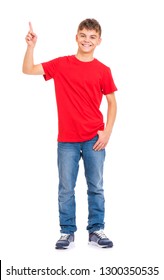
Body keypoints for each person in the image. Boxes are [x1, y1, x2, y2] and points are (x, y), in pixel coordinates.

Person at [22, 18, 117, 249]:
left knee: (96, 186)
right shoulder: (61, 64)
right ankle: (67, 232)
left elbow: (112, 103)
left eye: (92, 37)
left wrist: (107, 133)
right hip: (67, 140)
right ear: (76, 37)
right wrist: (31, 47)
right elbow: (28, 70)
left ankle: (96, 230)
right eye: (83, 35)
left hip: (95, 138)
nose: (87, 40)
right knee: (66, 187)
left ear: (99, 41)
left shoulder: (103, 70)